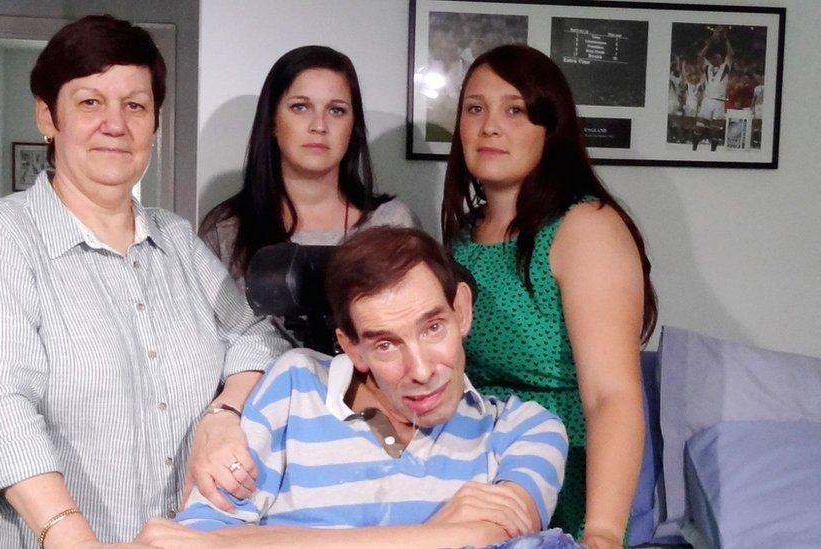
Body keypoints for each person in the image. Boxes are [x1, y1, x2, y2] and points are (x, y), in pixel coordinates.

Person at [0, 15, 288, 548]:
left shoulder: (178, 241)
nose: (115, 124)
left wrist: (222, 413)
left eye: (135, 105)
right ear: (48, 116)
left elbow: (257, 337)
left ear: (154, 124)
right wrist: (72, 537)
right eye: (90, 102)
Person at [131, 227, 568, 548]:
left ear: (462, 312)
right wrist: (436, 535)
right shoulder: (294, 386)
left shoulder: (525, 429)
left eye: (433, 328)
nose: (420, 369)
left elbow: (502, 538)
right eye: (385, 344)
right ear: (352, 348)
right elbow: (190, 539)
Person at [440, 45, 656, 548]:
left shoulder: (585, 227)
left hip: (563, 478)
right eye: (475, 108)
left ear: (549, 128)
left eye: (514, 109)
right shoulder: (459, 240)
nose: (490, 126)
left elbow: (612, 397)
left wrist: (601, 534)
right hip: (470, 476)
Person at [199, 45, 417, 288]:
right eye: (300, 107)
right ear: (272, 120)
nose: (319, 126)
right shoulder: (227, 228)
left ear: (353, 125)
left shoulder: (391, 222)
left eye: (336, 110)